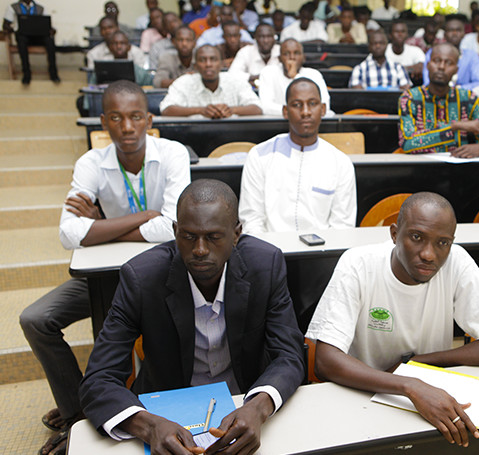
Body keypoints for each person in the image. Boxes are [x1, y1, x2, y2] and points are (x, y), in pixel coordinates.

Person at [21, 81, 190, 455]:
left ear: (148, 119)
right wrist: (144, 217)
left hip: (164, 274)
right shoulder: (91, 163)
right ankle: (77, 415)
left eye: (134, 117)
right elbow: (69, 234)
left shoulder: (173, 154)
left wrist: (100, 227)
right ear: (103, 122)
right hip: (104, 276)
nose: (126, 127)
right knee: (36, 319)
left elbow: (174, 227)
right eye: (116, 118)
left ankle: (125, 404)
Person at [78, 179, 305, 454]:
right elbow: (98, 379)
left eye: (213, 237)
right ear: (175, 232)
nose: (199, 249)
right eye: (188, 236)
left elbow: (289, 355)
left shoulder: (265, 265)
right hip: (165, 412)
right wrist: (148, 426)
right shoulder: (141, 278)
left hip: (244, 401)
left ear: (236, 234)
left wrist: (258, 407)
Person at [305, 192, 479, 448]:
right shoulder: (358, 264)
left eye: (443, 243)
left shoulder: (457, 261)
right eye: (417, 237)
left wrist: (415, 364)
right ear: (394, 234)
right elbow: (325, 360)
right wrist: (408, 384)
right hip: (362, 396)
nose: (429, 254)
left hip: (427, 401)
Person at [239, 77, 356, 234]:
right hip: (269, 251)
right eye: (297, 105)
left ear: (323, 109)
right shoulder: (260, 156)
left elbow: (342, 227)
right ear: (285, 112)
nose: (305, 112)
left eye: (312, 104)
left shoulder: (340, 163)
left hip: (322, 253)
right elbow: (252, 220)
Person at [400, 43, 479, 157]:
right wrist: (454, 126)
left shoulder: (469, 98)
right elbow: (407, 144)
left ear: (456, 70)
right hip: (419, 168)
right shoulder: (410, 98)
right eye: (437, 60)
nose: (441, 67)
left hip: (462, 167)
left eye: (449, 63)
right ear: (428, 65)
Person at [160, 45, 262, 118]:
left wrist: (231, 110)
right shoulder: (183, 82)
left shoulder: (236, 81)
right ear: (195, 66)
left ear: (221, 64)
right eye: (203, 60)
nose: (208, 64)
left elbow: (257, 108)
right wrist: (200, 110)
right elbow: (166, 110)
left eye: (213, 59)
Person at [258, 39, 333, 116]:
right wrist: (297, 112)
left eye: (296, 53)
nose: (292, 57)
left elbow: (324, 106)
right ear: (279, 58)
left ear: (303, 58)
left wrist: (295, 76)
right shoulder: (268, 72)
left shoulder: (314, 74)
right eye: (286, 54)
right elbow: (266, 107)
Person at [3, 0, 59, 84]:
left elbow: (47, 24)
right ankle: (26, 74)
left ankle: (53, 74)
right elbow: (5, 25)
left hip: (38, 36)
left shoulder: (40, 8)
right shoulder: (13, 7)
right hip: (23, 36)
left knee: (49, 40)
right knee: (21, 40)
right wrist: (13, 29)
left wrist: (51, 30)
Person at [422, 15, 479, 90]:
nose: (454, 33)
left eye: (458, 30)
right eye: (451, 30)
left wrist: (456, 90)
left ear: (464, 34)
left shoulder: (472, 56)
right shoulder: (433, 52)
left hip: (463, 98)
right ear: (445, 34)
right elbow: (427, 82)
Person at [88, 31, 153, 86]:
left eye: (122, 43)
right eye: (115, 43)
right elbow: (91, 89)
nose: (119, 46)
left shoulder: (140, 72)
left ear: (129, 47)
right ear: (110, 48)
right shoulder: (101, 70)